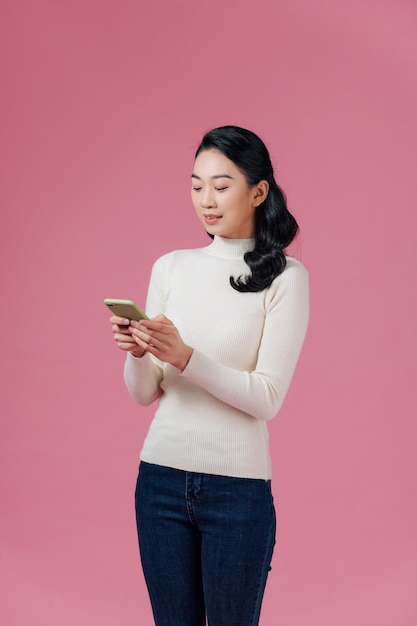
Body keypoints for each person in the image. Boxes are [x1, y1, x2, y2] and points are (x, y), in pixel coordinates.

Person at [109, 125, 309, 626]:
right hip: (158, 482)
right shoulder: (171, 267)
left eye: (221, 185)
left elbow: (266, 398)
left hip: (238, 492)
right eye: (196, 185)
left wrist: (185, 356)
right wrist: (138, 353)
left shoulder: (286, 277)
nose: (206, 200)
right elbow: (144, 395)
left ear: (258, 191)